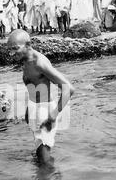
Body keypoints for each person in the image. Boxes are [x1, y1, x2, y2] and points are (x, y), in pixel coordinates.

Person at [7, 30, 74, 165]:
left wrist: (53, 116)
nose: (12, 53)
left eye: (15, 49)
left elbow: (68, 88)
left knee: (44, 158)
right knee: (39, 153)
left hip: (46, 111)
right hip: (34, 108)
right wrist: (28, 109)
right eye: (10, 49)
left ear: (28, 45)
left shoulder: (39, 63)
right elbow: (34, 85)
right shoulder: (25, 59)